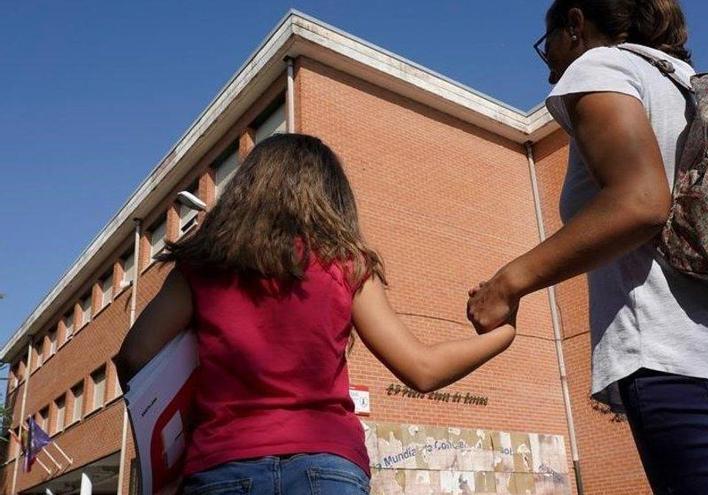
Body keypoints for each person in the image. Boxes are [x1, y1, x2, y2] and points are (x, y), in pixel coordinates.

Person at [466, 1, 708, 493]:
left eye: (546, 41)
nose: (548, 58)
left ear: (576, 24)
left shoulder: (601, 65)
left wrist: (509, 283)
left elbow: (639, 203)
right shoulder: (694, 86)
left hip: (694, 371)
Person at [114, 134, 515, 495]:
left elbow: (135, 355)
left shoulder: (201, 266)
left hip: (222, 464)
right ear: (331, 196)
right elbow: (422, 370)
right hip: (329, 465)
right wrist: (505, 332)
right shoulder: (347, 265)